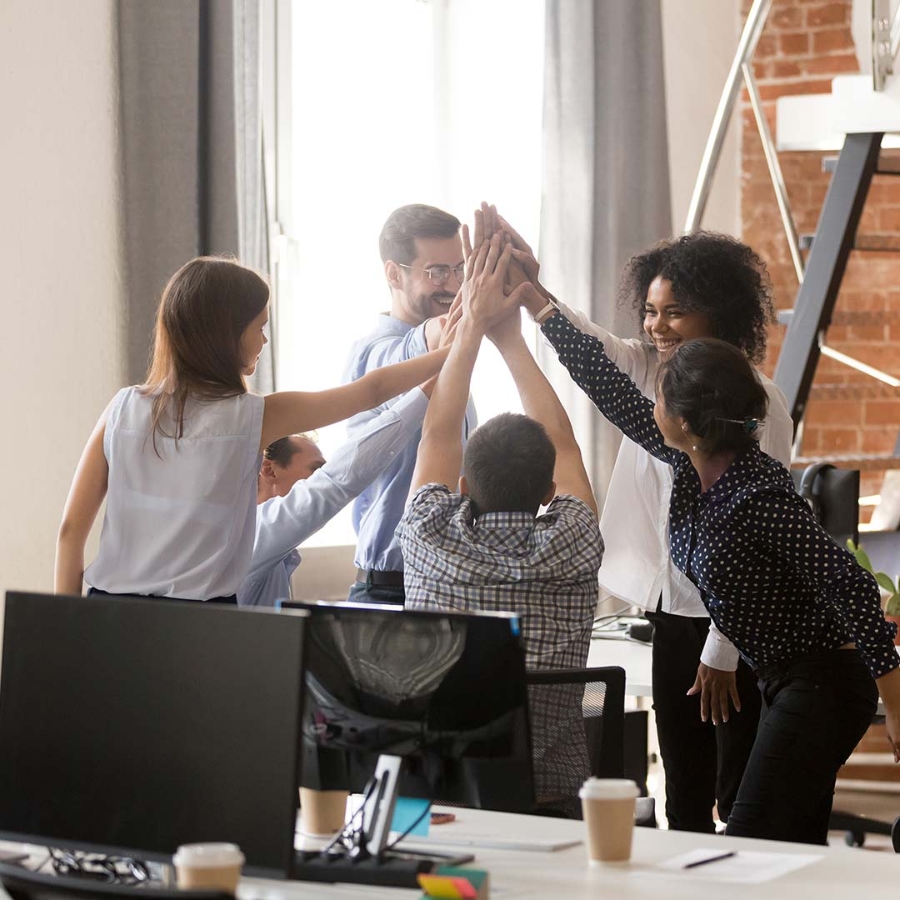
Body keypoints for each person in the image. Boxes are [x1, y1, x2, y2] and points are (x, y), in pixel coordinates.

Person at [531, 301, 900, 844]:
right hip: (781, 676)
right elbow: (608, 389)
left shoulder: (759, 495)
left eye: (657, 395)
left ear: (683, 419)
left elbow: (853, 585)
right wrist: (541, 312)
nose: (648, 403)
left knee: (748, 838)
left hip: (824, 682)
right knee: (791, 850)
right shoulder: (690, 461)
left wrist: (895, 706)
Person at [499, 220, 793, 833]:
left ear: (720, 313)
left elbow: (759, 550)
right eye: (651, 311)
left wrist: (721, 649)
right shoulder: (652, 372)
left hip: (728, 621)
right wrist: (534, 291)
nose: (656, 326)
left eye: (676, 312)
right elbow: (595, 351)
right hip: (670, 614)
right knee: (682, 784)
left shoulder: (757, 402)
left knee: (736, 790)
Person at [55, 256, 448, 603]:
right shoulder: (252, 416)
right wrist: (457, 347)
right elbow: (371, 391)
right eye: (259, 327)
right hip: (197, 628)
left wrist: (68, 625)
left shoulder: (122, 407)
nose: (263, 339)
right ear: (225, 334)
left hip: (106, 612)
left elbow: (71, 530)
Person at [398, 228, 604, 809]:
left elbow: (437, 432)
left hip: (443, 800)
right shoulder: (573, 541)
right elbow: (565, 446)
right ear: (546, 492)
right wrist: (511, 339)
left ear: (463, 486)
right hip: (553, 803)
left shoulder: (428, 535)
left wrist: (470, 330)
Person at [239, 308, 462, 607]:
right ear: (269, 469)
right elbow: (337, 480)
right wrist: (446, 364)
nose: (317, 478)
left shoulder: (265, 541)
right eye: (313, 469)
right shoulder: (257, 532)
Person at [343, 204, 476, 604]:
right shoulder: (376, 353)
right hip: (390, 587)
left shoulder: (448, 352)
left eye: (460, 270)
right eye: (436, 271)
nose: (452, 284)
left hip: (444, 581)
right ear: (393, 273)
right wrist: (475, 306)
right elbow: (424, 344)